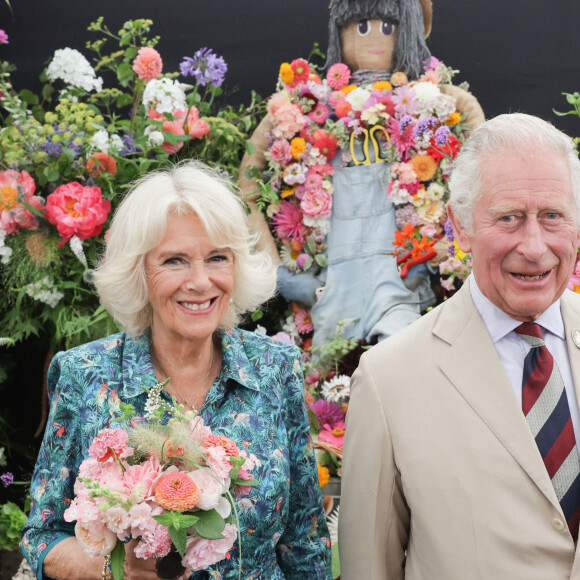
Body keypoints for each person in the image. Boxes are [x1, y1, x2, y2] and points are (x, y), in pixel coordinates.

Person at [21, 161, 332, 579]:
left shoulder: (276, 368)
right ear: (139, 271)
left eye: (217, 258)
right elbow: (43, 537)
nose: (201, 282)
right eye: (175, 261)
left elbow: (305, 543)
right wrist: (115, 570)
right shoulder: (85, 374)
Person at [338, 113, 580, 579]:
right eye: (509, 218)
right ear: (461, 226)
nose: (534, 246)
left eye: (552, 216)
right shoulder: (390, 379)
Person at [239, 0, 484, 346]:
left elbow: (483, 172)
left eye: (388, 26)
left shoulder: (433, 102)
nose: (373, 36)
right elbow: (247, 187)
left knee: (404, 371)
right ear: (338, 31)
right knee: (327, 379)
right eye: (360, 24)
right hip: (332, 286)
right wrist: (275, 271)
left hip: (403, 283)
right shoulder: (308, 107)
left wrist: (448, 247)